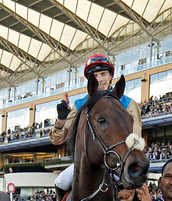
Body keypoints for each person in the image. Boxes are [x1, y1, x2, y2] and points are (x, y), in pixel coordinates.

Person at [51, 54, 142, 191]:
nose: (100, 80)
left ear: (111, 76)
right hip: (87, 164)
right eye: (95, 76)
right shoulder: (80, 104)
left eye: (103, 74)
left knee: (133, 192)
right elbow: (57, 140)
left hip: (118, 162)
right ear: (89, 81)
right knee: (60, 182)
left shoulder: (128, 104)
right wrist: (61, 120)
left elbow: (136, 139)